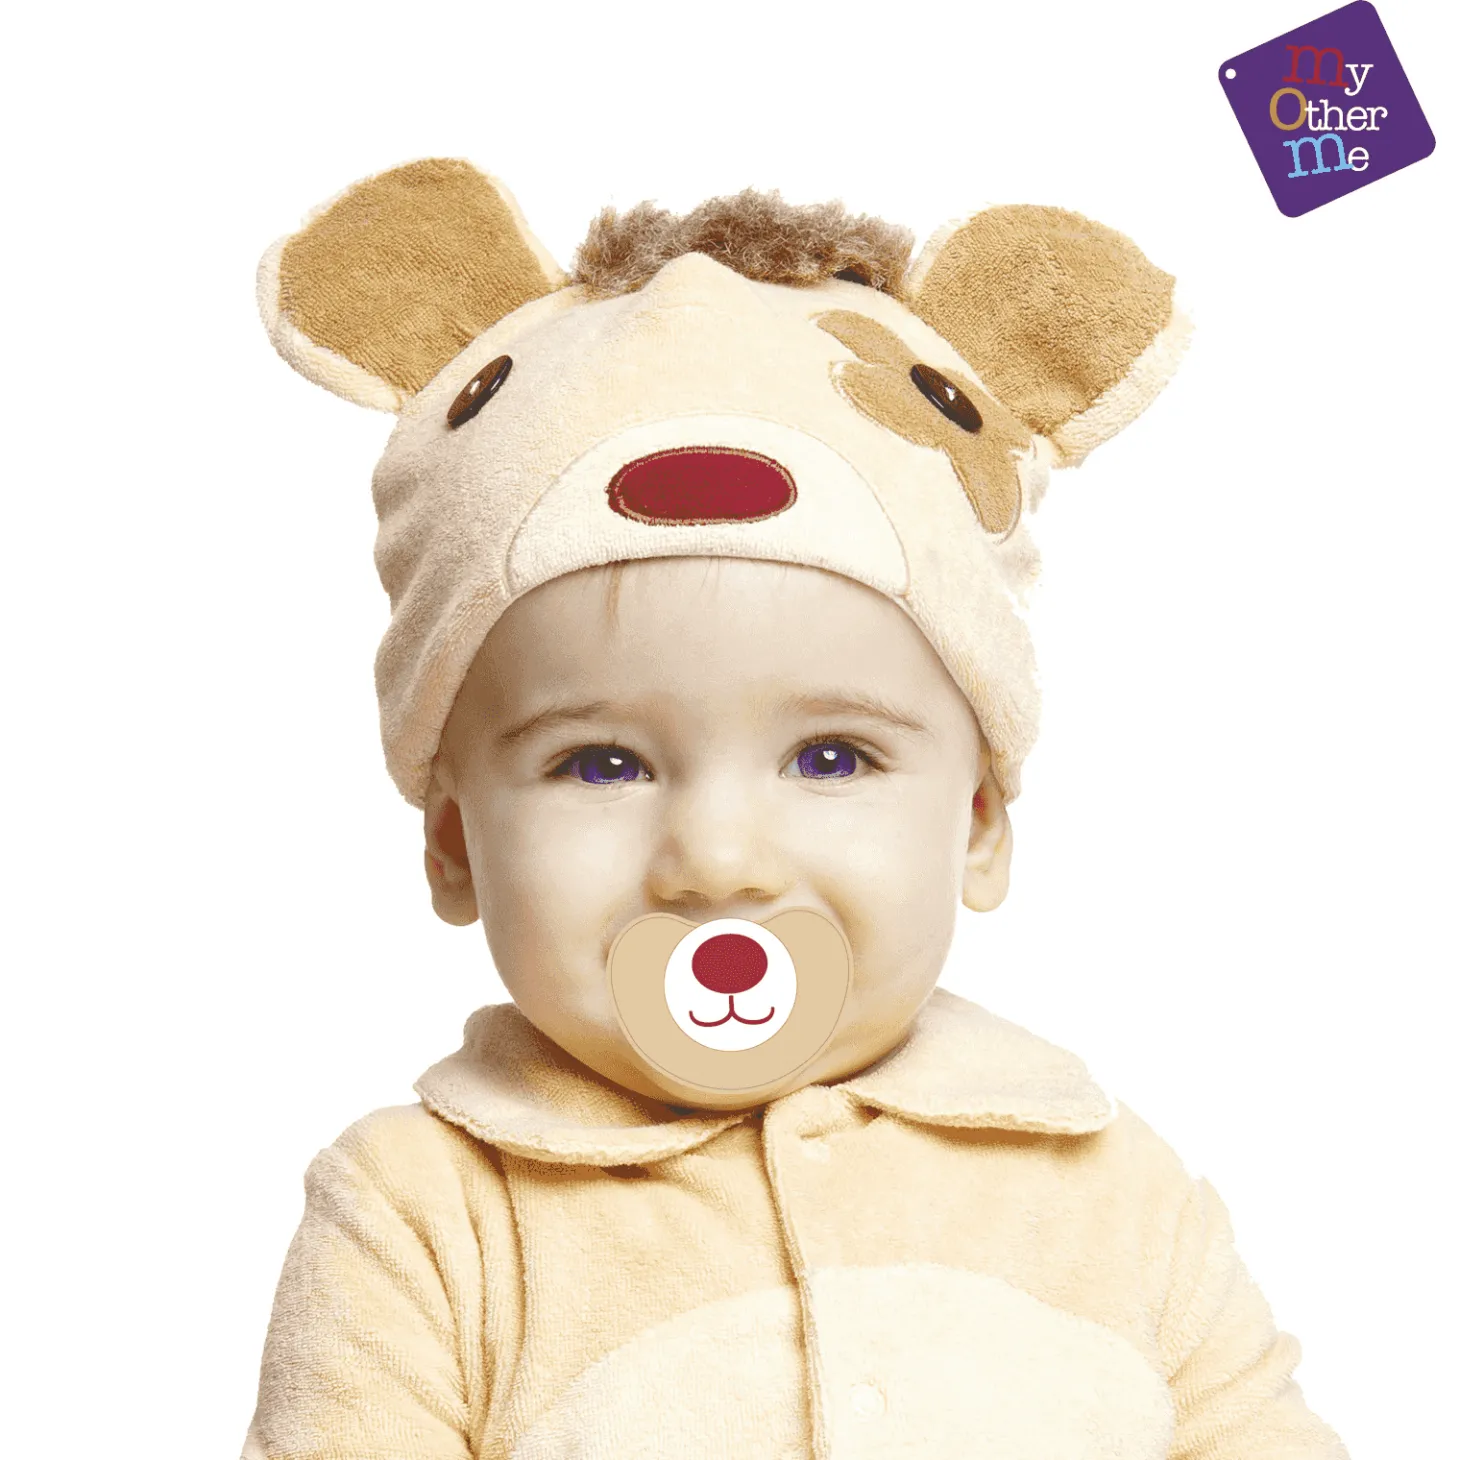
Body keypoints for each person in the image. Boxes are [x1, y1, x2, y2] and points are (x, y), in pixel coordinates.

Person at [242, 157, 1348, 1458]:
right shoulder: (424, 1224)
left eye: (830, 757)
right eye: (601, 764)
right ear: (453, 844)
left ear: (978, 823)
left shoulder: (1123, 1205)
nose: (718, 860)